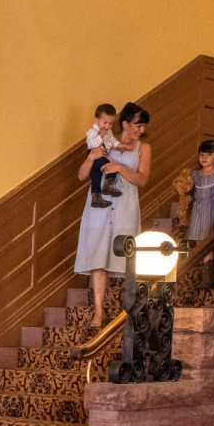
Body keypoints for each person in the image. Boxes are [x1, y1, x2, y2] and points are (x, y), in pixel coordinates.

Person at [72, 102, 152, 329]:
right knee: (98, 258)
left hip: (125, 206)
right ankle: (98, 313)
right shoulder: (103, 139)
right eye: (138, 125)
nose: (141, 130)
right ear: (125, 123)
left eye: (143, 126)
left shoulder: (143, 148)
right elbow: (81, 176)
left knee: (127, 258)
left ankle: (129, 311)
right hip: (99, 207)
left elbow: (143, 180)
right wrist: (91, 157)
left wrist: (120, 168)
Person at [83, 103, 122, 209]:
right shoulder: (92, 132)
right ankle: (108, 186)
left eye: (110, 124)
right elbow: (94, 145)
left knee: (96, 177)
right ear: (96, 120)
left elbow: (112, 141)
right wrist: (102, 134)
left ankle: (96, 198)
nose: (107, 126)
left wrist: (121, 145)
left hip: (101, 155)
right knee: (112, 166)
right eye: (105, 123)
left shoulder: (108, 131)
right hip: (96, 156)